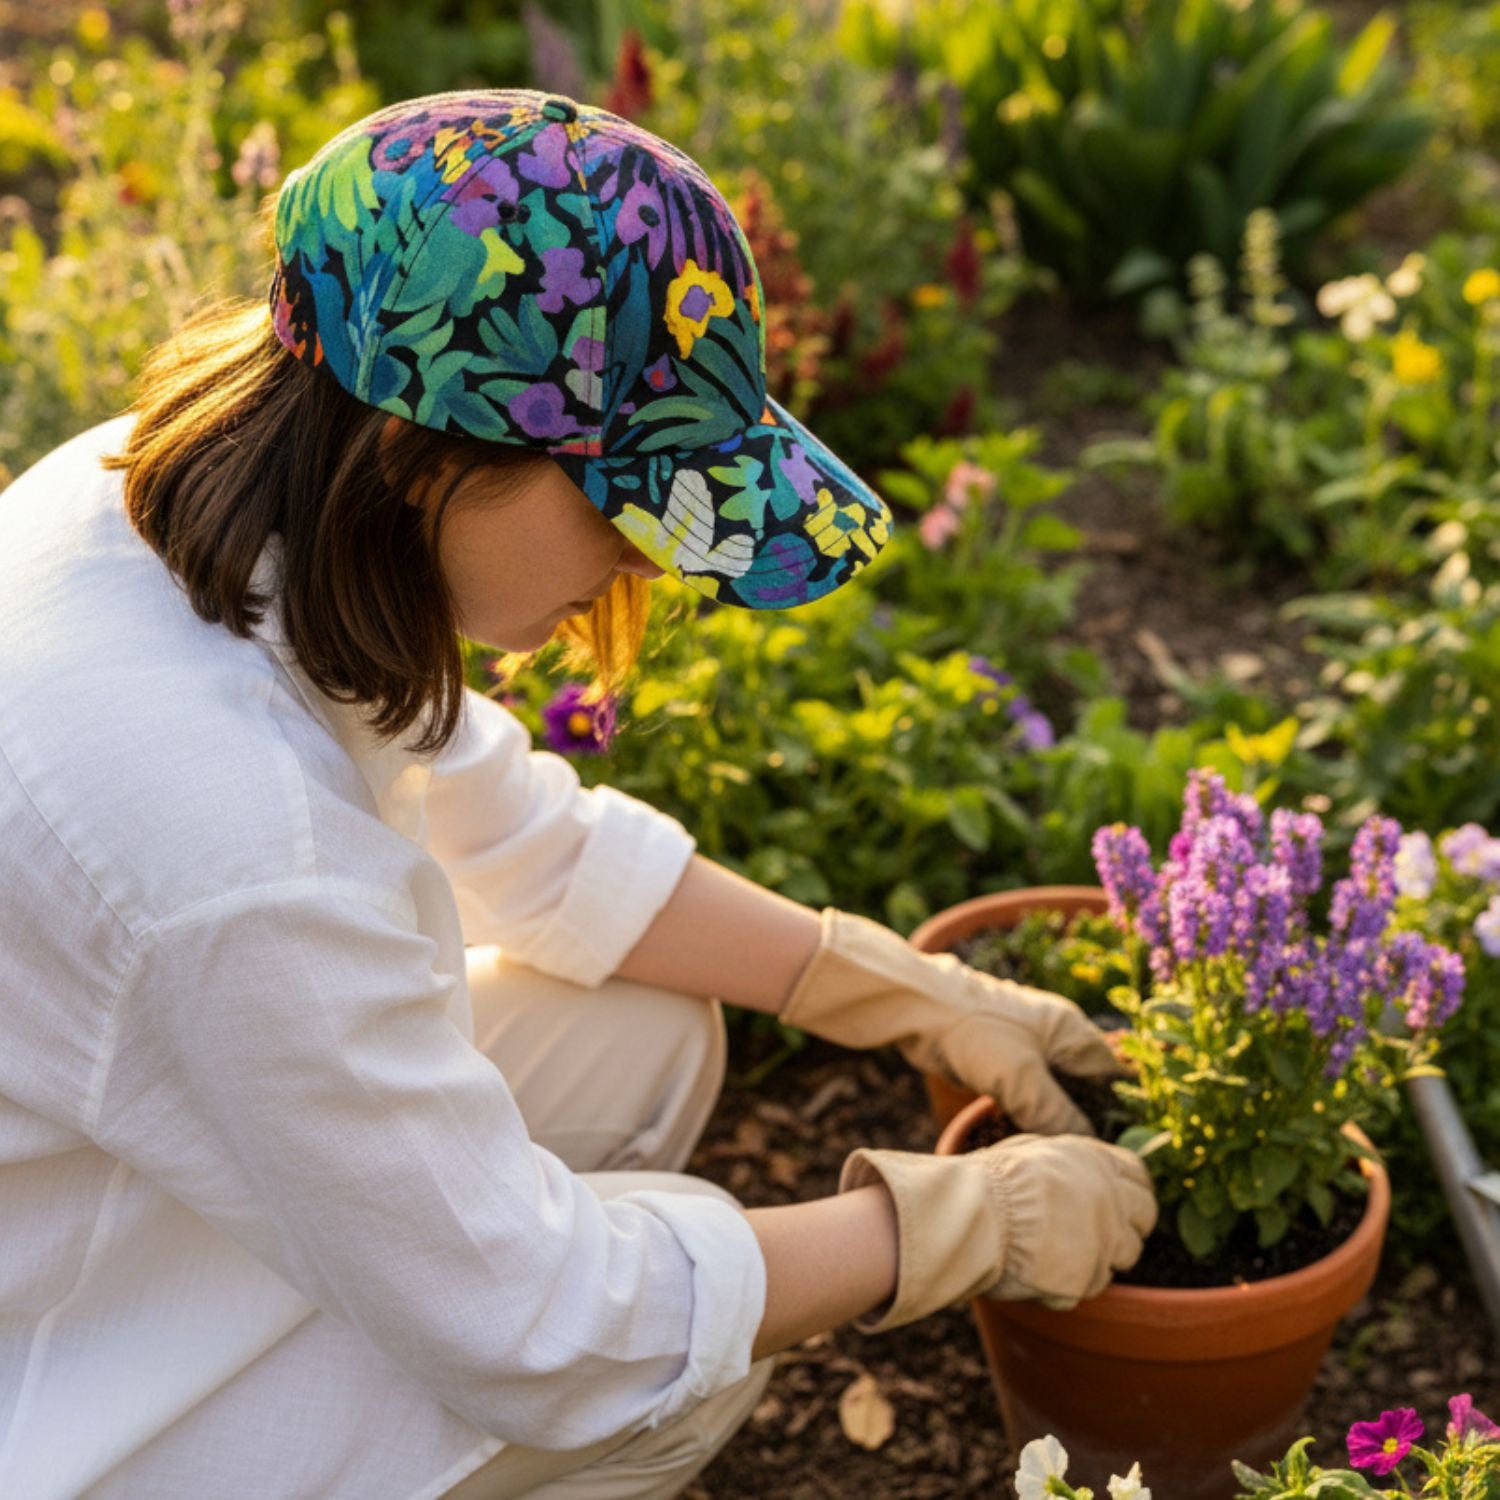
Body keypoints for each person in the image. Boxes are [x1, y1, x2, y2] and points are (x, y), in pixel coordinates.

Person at [0, 89, 1156, 1500]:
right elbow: (538, 1325)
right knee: (680, 1356)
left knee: (646, 1040)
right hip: (57, 1374)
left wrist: (897, 987)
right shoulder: (229, 844)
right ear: (427, 454)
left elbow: (533, 849)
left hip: (122, 1178)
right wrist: (947, 1226)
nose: (648, 563)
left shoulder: (179, 500)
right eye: (627, 501)